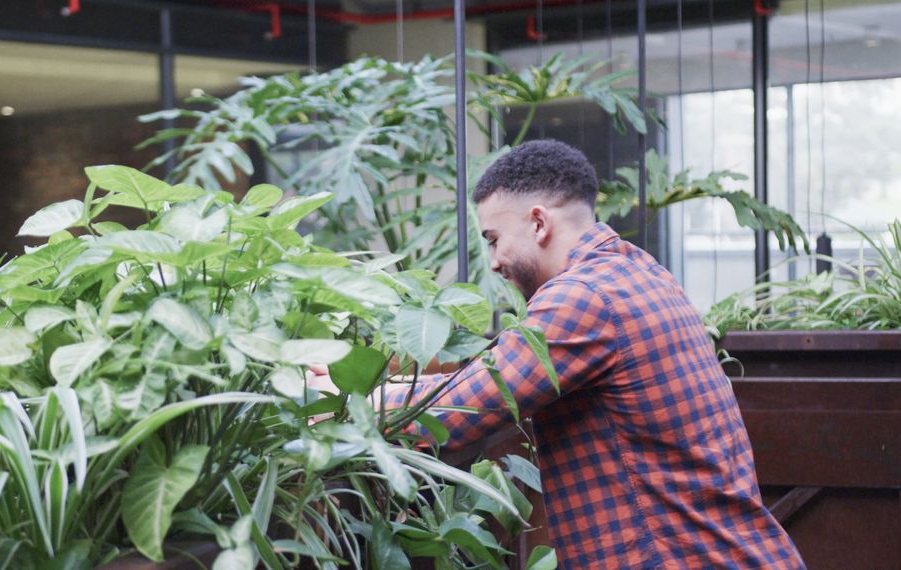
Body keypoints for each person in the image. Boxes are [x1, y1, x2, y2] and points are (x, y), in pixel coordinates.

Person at [309, 140, 805, 568]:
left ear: (539, 223)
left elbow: (455, 412)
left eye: (494, 239)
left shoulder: (584, 296)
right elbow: (493, 373)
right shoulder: (635, 272)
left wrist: (332, 401)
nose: (495, 261)